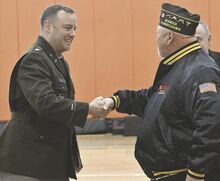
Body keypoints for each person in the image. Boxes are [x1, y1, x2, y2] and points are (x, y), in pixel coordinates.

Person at [103, 3, 220, 181]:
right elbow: (153, 100)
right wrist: (116, 100)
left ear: (169, 37)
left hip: (184, 175)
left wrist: (196, 173)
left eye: (157, 34)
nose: (155, 39)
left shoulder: (200, 70)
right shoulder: (180, 65)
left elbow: (211, 125)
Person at [0, 4, 107, 181]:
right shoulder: (35, 59)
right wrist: (88, 109)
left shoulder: (57, 61)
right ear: (48, 26)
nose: (73, 34)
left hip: (46, 162)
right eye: (67, 28)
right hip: (26, 165)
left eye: (74, 28)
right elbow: (45, 103)